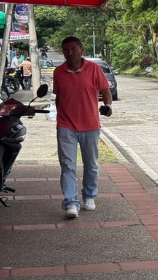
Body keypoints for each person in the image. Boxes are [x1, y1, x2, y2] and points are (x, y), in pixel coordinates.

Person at [53, 36, 113, 218]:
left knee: (91, 164)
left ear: (81, 49)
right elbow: (58, 97)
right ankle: (71, 202)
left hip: (90, 125)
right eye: (66, 50)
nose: (69, 53)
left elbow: (106, 92)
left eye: (73, 49)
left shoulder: (94, 69)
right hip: (65, 126)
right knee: (67, 165)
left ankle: (89, 196)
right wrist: (60, 116)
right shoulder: (58, 72)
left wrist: (108, 106)